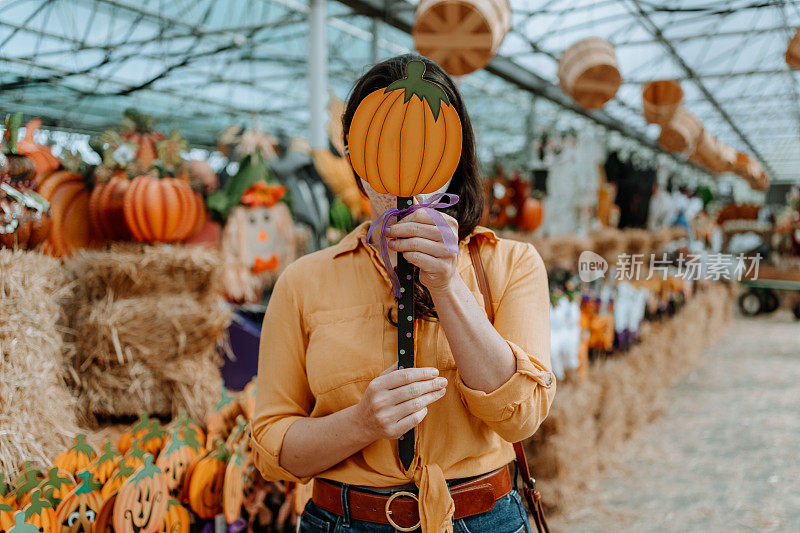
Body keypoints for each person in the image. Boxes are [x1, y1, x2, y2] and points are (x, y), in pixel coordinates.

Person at [251, 54, 556, 533]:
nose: (404, 166)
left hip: (481, 519)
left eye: (425, 145)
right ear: (355, 156)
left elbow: (521, 419)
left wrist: (447, 284)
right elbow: (271, 448)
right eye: (382, 144)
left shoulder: (511, 264)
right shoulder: (302, 281)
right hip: (343, 522)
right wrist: (361, 423)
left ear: (454, 156)